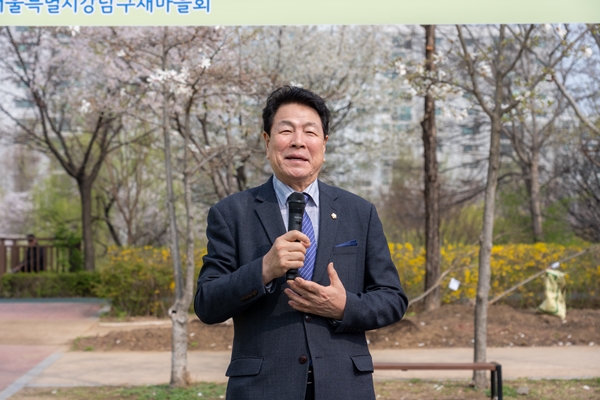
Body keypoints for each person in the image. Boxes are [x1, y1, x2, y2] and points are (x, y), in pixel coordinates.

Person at [194, 86, 407, 400]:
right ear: (267, 142)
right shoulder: (232, 213)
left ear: (324, 144)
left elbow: (392, 299)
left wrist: (344, 306)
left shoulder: (359, 212)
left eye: (310, 132)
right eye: (286, 130)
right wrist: (263, 270)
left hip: (344, 387)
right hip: (263, 389)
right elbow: (207, 303)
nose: (298, 141)